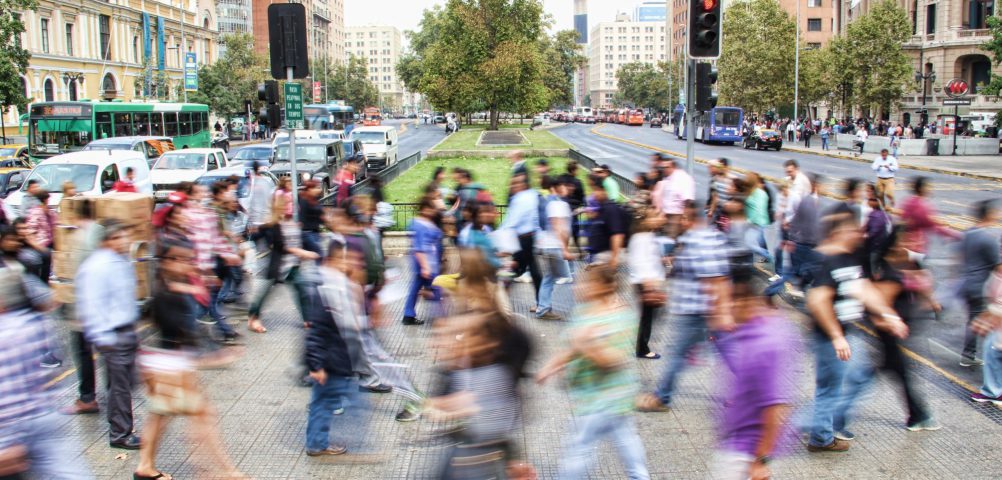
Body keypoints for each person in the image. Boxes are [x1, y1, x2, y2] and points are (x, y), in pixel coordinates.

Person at [134, 242, 247, 480]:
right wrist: (214, 358)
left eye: (188, 259)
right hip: (171, 369)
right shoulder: (167, 295)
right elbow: (181, 334)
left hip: (164, 366)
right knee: (202, 417)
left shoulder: (171, 288)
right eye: (179, 259)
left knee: (160, 417)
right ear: (165, 262)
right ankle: (221, 471)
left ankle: (146, 466)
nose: (187, 264)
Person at [805, 213, 909, 452]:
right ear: (840, 233)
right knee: (831, 389)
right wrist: (836, 336)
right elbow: (818, 299)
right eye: (854, 231)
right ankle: (818, 435)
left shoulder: (848, 260)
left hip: (846, 333)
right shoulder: (829, 260)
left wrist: (889, 315)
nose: (860, 234)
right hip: (832, 337)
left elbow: (864, 290)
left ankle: (822, 428)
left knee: (856, 378)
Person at [537, 264, 650, 480]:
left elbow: (616, 360)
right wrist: (550, 366)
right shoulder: (582, 311)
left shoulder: (619, 316)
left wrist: (588, 345)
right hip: (598, 394)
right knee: (626, 437)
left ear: (603, 287)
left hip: (603, 396)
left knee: (580, 446)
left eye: (585, 283)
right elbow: (571, 347)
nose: (577, 287)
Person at [0, 240, 93, 479]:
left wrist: (8, 440)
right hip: (45, 416)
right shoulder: (34, 323)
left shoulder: (7, 332)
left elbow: (7, 393)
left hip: (15, 429)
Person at [636, 201, 732, 412]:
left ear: (689, 219)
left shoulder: (700, 240)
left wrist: (719, 314)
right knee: (726, 353)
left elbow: (714, 279)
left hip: (697, 312)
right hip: (698, 310)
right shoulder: (705, 236)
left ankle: (662, 398)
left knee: (678, 354)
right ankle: (746, 394)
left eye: (681, 217)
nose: (678, 221)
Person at [711, 264, 798, 480]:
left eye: (728, 300)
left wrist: (761, 461)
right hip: (742, 443)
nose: (724, 308)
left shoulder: (763, 345)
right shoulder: (763, 329)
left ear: (746, 300)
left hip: (746, 452)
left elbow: (776, 407)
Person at [76, 219, 143, 450]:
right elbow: (92, 304)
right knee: (119, 387)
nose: (124, 241)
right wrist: (105, 338)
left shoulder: (122, 261)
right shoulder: (97, 266)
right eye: (118, 237)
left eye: (125, 236)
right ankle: (120, 434)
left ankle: (121, 426)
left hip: (126, 331)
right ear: (106, 241)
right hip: (113, 335)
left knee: (123, 385)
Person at [870, 226, 941, 432]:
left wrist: (931, 301)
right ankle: (918, 415)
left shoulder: (911, 259)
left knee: (891, 368)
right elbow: (879, 301)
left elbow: (923, 282)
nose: (909, 243)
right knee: (899, 370)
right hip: (890, 328)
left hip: (902, 325)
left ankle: (918, 415)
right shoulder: (883, 265)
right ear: (893, 242)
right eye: (904, 240)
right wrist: (887, 321)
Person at [59, 199, 104, 415]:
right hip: (103, 307)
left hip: (86, 308)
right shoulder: (102, 232)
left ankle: (87, 398)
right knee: (105, 351)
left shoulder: (79, 237)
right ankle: (113, 395)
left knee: (83, 352)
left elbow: (79, 276)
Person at [959, 200, 1000, 367]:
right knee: (988, 321)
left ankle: (968, 355)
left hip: (967, 283)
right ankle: (982, 356)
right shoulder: (988, 240)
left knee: (974, 321)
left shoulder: (968, 233)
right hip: (980, 287)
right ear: (988, 215)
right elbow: (999, 267)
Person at [628, 210, 667, 360]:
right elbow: (640, 262)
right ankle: (642, 349)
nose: (660, 218)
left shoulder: (648, 236)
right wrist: (649, 287)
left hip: (649, 282)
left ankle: (643, 345)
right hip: (645, 283)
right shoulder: (641, 238)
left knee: (650, 316)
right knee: (647, 317)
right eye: (655, 216)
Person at [535, 176, 573, 321]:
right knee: (564, 277)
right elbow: (558, 227)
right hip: (555, 246)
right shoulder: (557, 204)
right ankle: (544, 308)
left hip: (547, 245)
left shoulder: (549, 202)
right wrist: (564, 249)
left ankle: (542, 307)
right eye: (564, 186)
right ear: (557, 187)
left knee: (549, 277)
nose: (567, 189)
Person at [499, 174, 542, 303]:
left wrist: (500, 236)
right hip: (528, 238)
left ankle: (499, 297)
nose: (512, 187)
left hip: (522, 239)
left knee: (515, 269)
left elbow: (512, 220)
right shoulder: (533, 195)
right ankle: (541, 302)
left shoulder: (520, 198)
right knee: (531, 270)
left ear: (523, 184)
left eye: (515, 184)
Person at [402, 196, 443, 326]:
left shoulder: (423, 223)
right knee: (436, 288)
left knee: (415, 288)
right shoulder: (420, 225)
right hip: (426, 263)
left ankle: (409, 314)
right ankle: (438, 317)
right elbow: (419, 248)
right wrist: (425, 266)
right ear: (425, 209)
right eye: (432, 209)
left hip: (426, 263)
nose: (434, 212)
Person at [900, 176, 960, 254]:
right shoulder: (922, 205)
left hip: (905, 243)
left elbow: (904, 216)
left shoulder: (908, 201)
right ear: (921, 188)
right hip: (914, 246)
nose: (931, 189)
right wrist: (958, 235)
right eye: (928, 186)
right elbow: (933, 225)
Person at [585, 175, 627, 269]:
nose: (594, 194)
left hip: (608, 256)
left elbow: (617, 234)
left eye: (596, 190)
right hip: (601, 256)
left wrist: (614, 258)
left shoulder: (611, 209)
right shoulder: (601, 209)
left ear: (604, 190)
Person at [652, 157, 695, 237]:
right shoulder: (668, 177)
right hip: (666, 215)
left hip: (677, 216)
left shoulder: (682, 178)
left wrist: (685, 218)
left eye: (666, 167)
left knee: (672, 239)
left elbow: (688, 200)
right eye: (662, 167)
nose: (664, 170)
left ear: (673, 167)